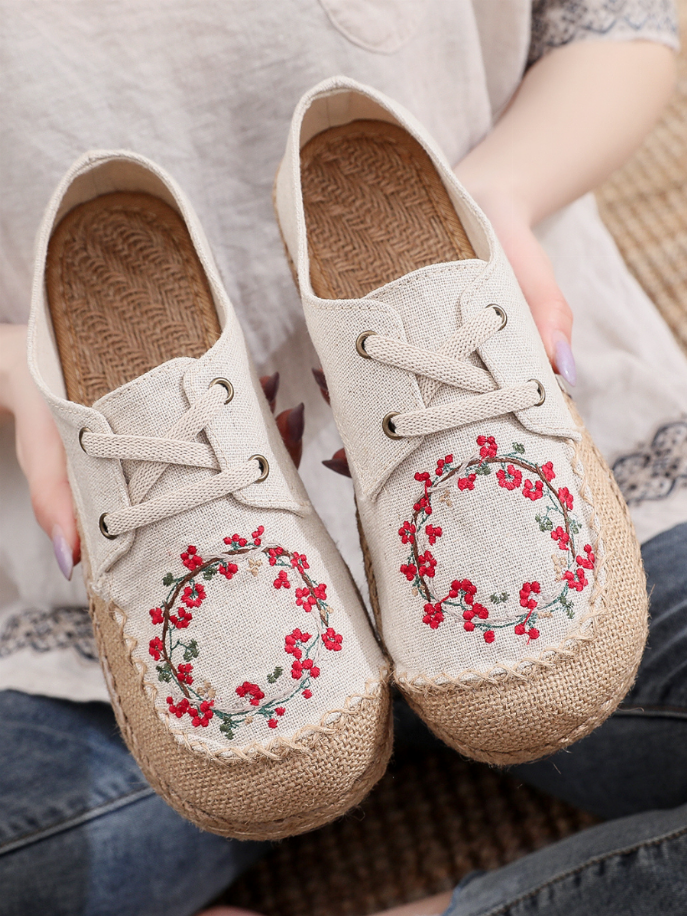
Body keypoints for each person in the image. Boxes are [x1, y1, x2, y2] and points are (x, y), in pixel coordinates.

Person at [0, 1, 684, 914]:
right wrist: (16, 367)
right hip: (95, 622)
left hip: (535, 430)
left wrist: (500, 199)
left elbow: (614, 25)